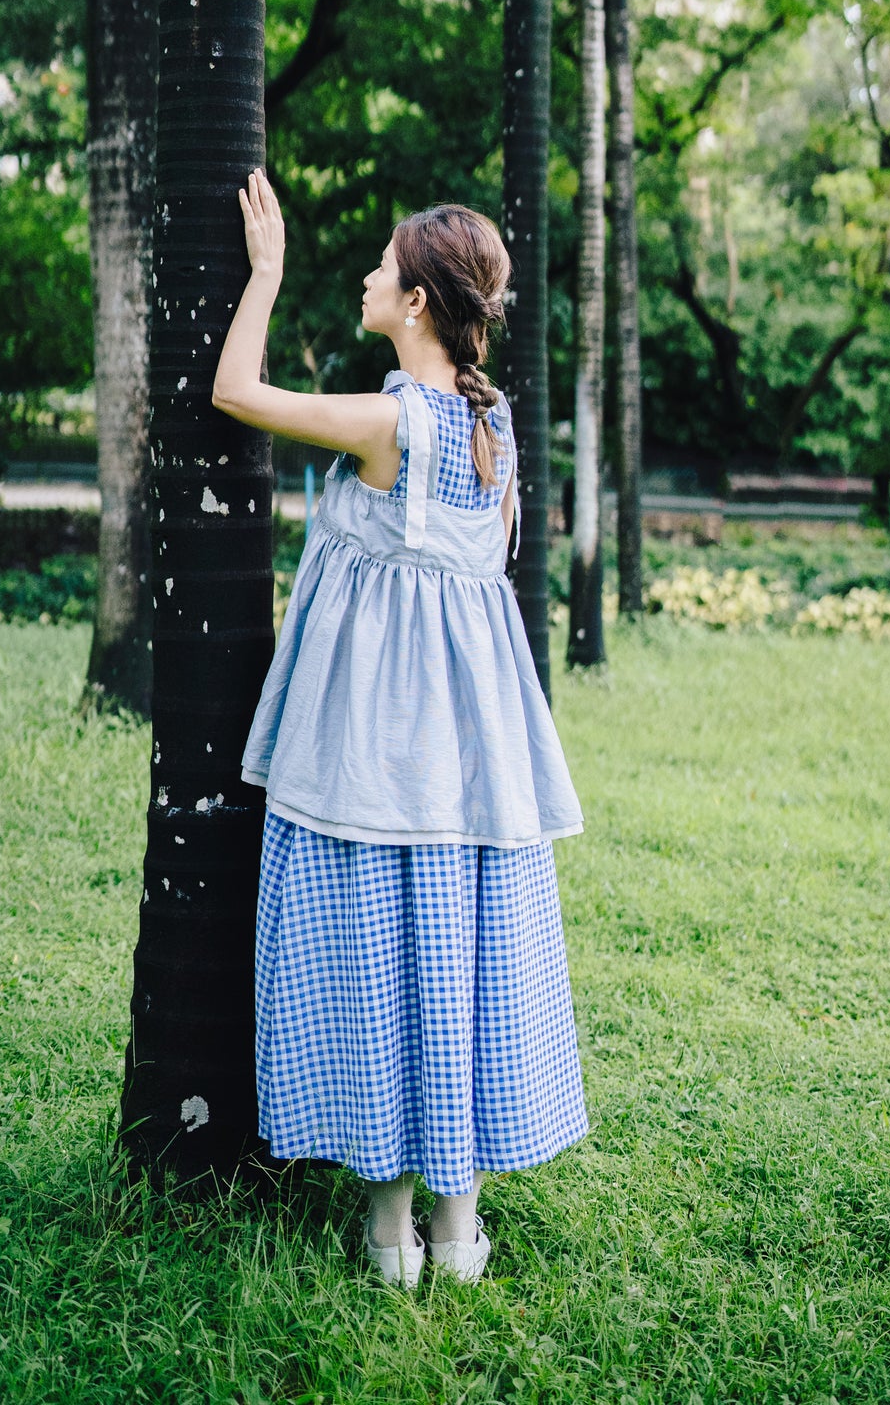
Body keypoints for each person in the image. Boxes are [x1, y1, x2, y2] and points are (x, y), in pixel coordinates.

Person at [212, 172, 587, 1289]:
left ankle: (390, 1236)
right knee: (453, 966)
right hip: (470, 768)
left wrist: (264, 271)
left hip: (377, 752)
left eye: (383, 265)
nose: (367, 275)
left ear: (417, 301)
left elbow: (234, 388)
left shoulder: (389, 420)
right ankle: (458, 1229)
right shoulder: (489, 426)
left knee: (380, 965)